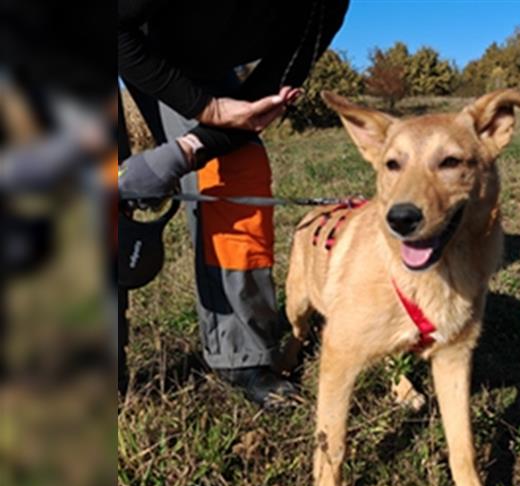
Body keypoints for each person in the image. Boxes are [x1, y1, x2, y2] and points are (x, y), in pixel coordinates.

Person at [117, 1, 350, 406]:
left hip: (194, 68)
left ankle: (242, 355)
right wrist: (209, 110)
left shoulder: (323, 7)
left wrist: (186, 149)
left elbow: (259, 107)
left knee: (239, 168)